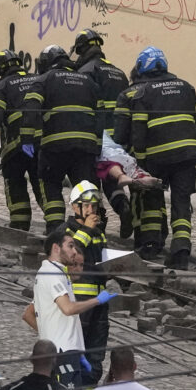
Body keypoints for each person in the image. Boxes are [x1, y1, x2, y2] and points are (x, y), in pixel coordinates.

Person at [112, 46, 196, 269]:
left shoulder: (139, 92)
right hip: (188, 154)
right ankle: (181, 249)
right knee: (182, 202)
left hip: (156, 155)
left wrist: (140, 163)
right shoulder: (186, 87)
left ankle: (151, 245)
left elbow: (133, 131)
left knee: (151, 197)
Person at [21, 45, 101, 236]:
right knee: (85, 189)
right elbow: (101, 115)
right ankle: (89, 231)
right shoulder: (89, 82)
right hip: (85, 148)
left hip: (54, 146)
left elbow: (30, 109)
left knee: (50, 184)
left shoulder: (44, 80)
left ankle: (55, 230)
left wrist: (27, 139)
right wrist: (97, 145)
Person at [34, 228, 116, 390]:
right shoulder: (52, 274)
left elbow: (35, 314)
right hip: (63, 353)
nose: (73, 251)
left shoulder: (56, 273)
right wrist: (97, 300)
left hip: (65, 350)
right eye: (70, 246)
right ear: (56, 248)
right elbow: (68, 308)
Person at [72, 29, 134, 237]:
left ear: (81, 49)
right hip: (118, 137)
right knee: (110, 178)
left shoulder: (86, 72)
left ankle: (97, 221)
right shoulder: (118, 72)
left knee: (89, 180)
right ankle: (123, 206)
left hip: (95, 135)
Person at [0, 49, 48, 231]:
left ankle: (19, 225)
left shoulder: (2, 86)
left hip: (15, 147)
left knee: (15, 182)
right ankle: (55, 223)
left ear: (1, 68)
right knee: (42, 183)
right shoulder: (38, 79)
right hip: (41, 143)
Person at [64, 181, 111, 390]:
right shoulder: (66, 231)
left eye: (95, 205)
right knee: (75, 351)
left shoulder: (98, 232)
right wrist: (86, 230)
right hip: (78, 304)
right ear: (75, 207)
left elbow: (102, 261)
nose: (93, 210)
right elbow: (70, 255)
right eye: (87, 205)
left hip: (99, 302)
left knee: (96, 353)